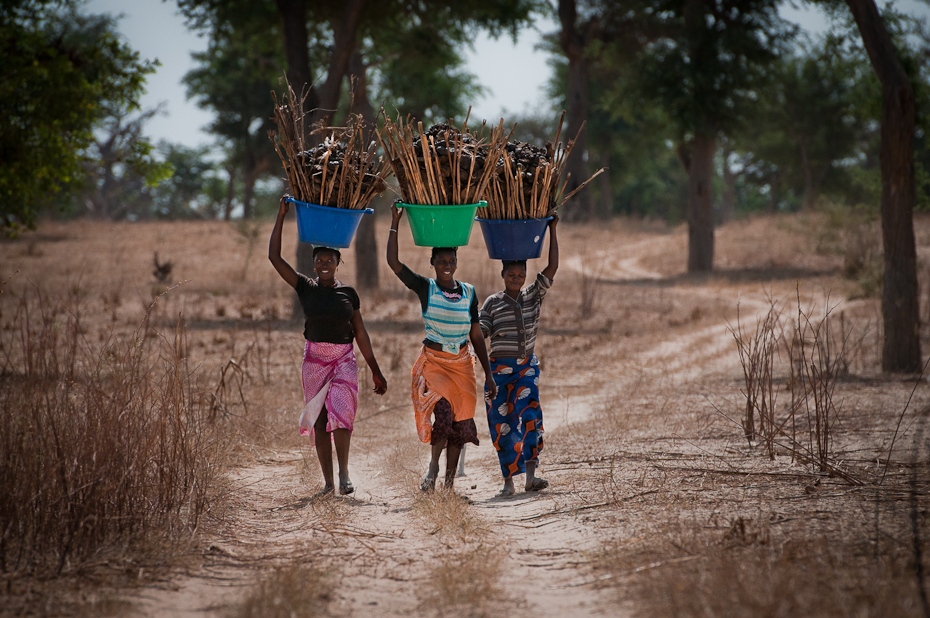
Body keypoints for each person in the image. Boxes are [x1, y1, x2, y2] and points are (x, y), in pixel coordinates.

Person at [269, 195, 387, 497]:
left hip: (344, 360)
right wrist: (282, 216)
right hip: (314, 362)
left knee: (343, 415)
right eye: (319, 261)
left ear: (338, 263)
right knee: (321, 422)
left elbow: (360, 332)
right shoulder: (304, 287)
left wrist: (375, 370)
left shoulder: (349, 293)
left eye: (329, 261)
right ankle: (328, 483)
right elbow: (274, 258)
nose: (324, 264)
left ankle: (345, 475)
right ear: (313, 264)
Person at [386, 204, 497, 491]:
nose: (447, 265)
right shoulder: (426, 288)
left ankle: (448, 484)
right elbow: (394, 263)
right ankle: (433, 471)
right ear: (433, 263)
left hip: (462, 366)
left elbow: (475, 332)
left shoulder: (469, 292)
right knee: (444, 416)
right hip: (435, 364)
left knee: (461, 425)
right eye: (442, 260)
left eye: (451, 260)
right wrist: (395, 223)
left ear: (456, 263)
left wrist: (488, 373)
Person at [479, 216, 559, 497]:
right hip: (498, 372)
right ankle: (508, 482)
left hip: (526, 370)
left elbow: (552, 268)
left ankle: (531, 478)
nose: (516, 279)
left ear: (525, 276)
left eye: (520, 275)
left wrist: (552, 230)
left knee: (529, 419)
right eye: (511, 275)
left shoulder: (534, 295)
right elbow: (481, 334)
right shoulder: (492, 303)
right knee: (502, 425)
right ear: (503, 276)